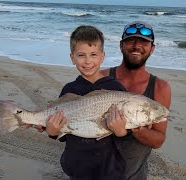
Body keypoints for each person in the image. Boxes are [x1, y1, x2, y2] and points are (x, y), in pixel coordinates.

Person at [46, 25, 127, 180]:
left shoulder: (116, 89)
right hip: (78, 167)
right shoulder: (69, 90)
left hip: (109, 169)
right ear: (72, 57)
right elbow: (63, 134)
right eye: (81, 55)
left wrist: (120, 130)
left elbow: (125, 136)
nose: (88, 61)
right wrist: (52, 132)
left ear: (102, 56)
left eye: (94, 54)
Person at [100, 21, 171, 180]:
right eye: (130, 40)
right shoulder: (101, 77)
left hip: (132, 176)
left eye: (144, 42)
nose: (136, 46)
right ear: (121, 46)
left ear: (152, 48)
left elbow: (158, 140)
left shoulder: (160, 87)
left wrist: (136, 127)